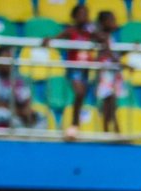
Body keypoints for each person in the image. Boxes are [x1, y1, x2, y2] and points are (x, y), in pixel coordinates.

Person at [42, 4, 94, 135]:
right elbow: (56, 38)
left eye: (86, 14)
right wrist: (49, 40)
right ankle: (75, 122)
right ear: (74, 16)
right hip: (74, 68)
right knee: (79, 93)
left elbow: (103, 38)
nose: (84, 16)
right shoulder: (71, 31)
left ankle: (75, 123)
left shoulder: (90, 32)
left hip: (86, 70)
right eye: (81, 14)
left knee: (82, 97)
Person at [93, 11, 124, 134]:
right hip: (106, 72)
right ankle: (109, 130)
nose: (113, 23)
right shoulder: (102, 36)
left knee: (112, 102)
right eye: (110, 21)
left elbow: (114, 53)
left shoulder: (111, 36)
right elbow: (109, 53)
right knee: (108, 102)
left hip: (113, 72)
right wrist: (122, 63)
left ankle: (114, 130)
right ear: (103, 23)